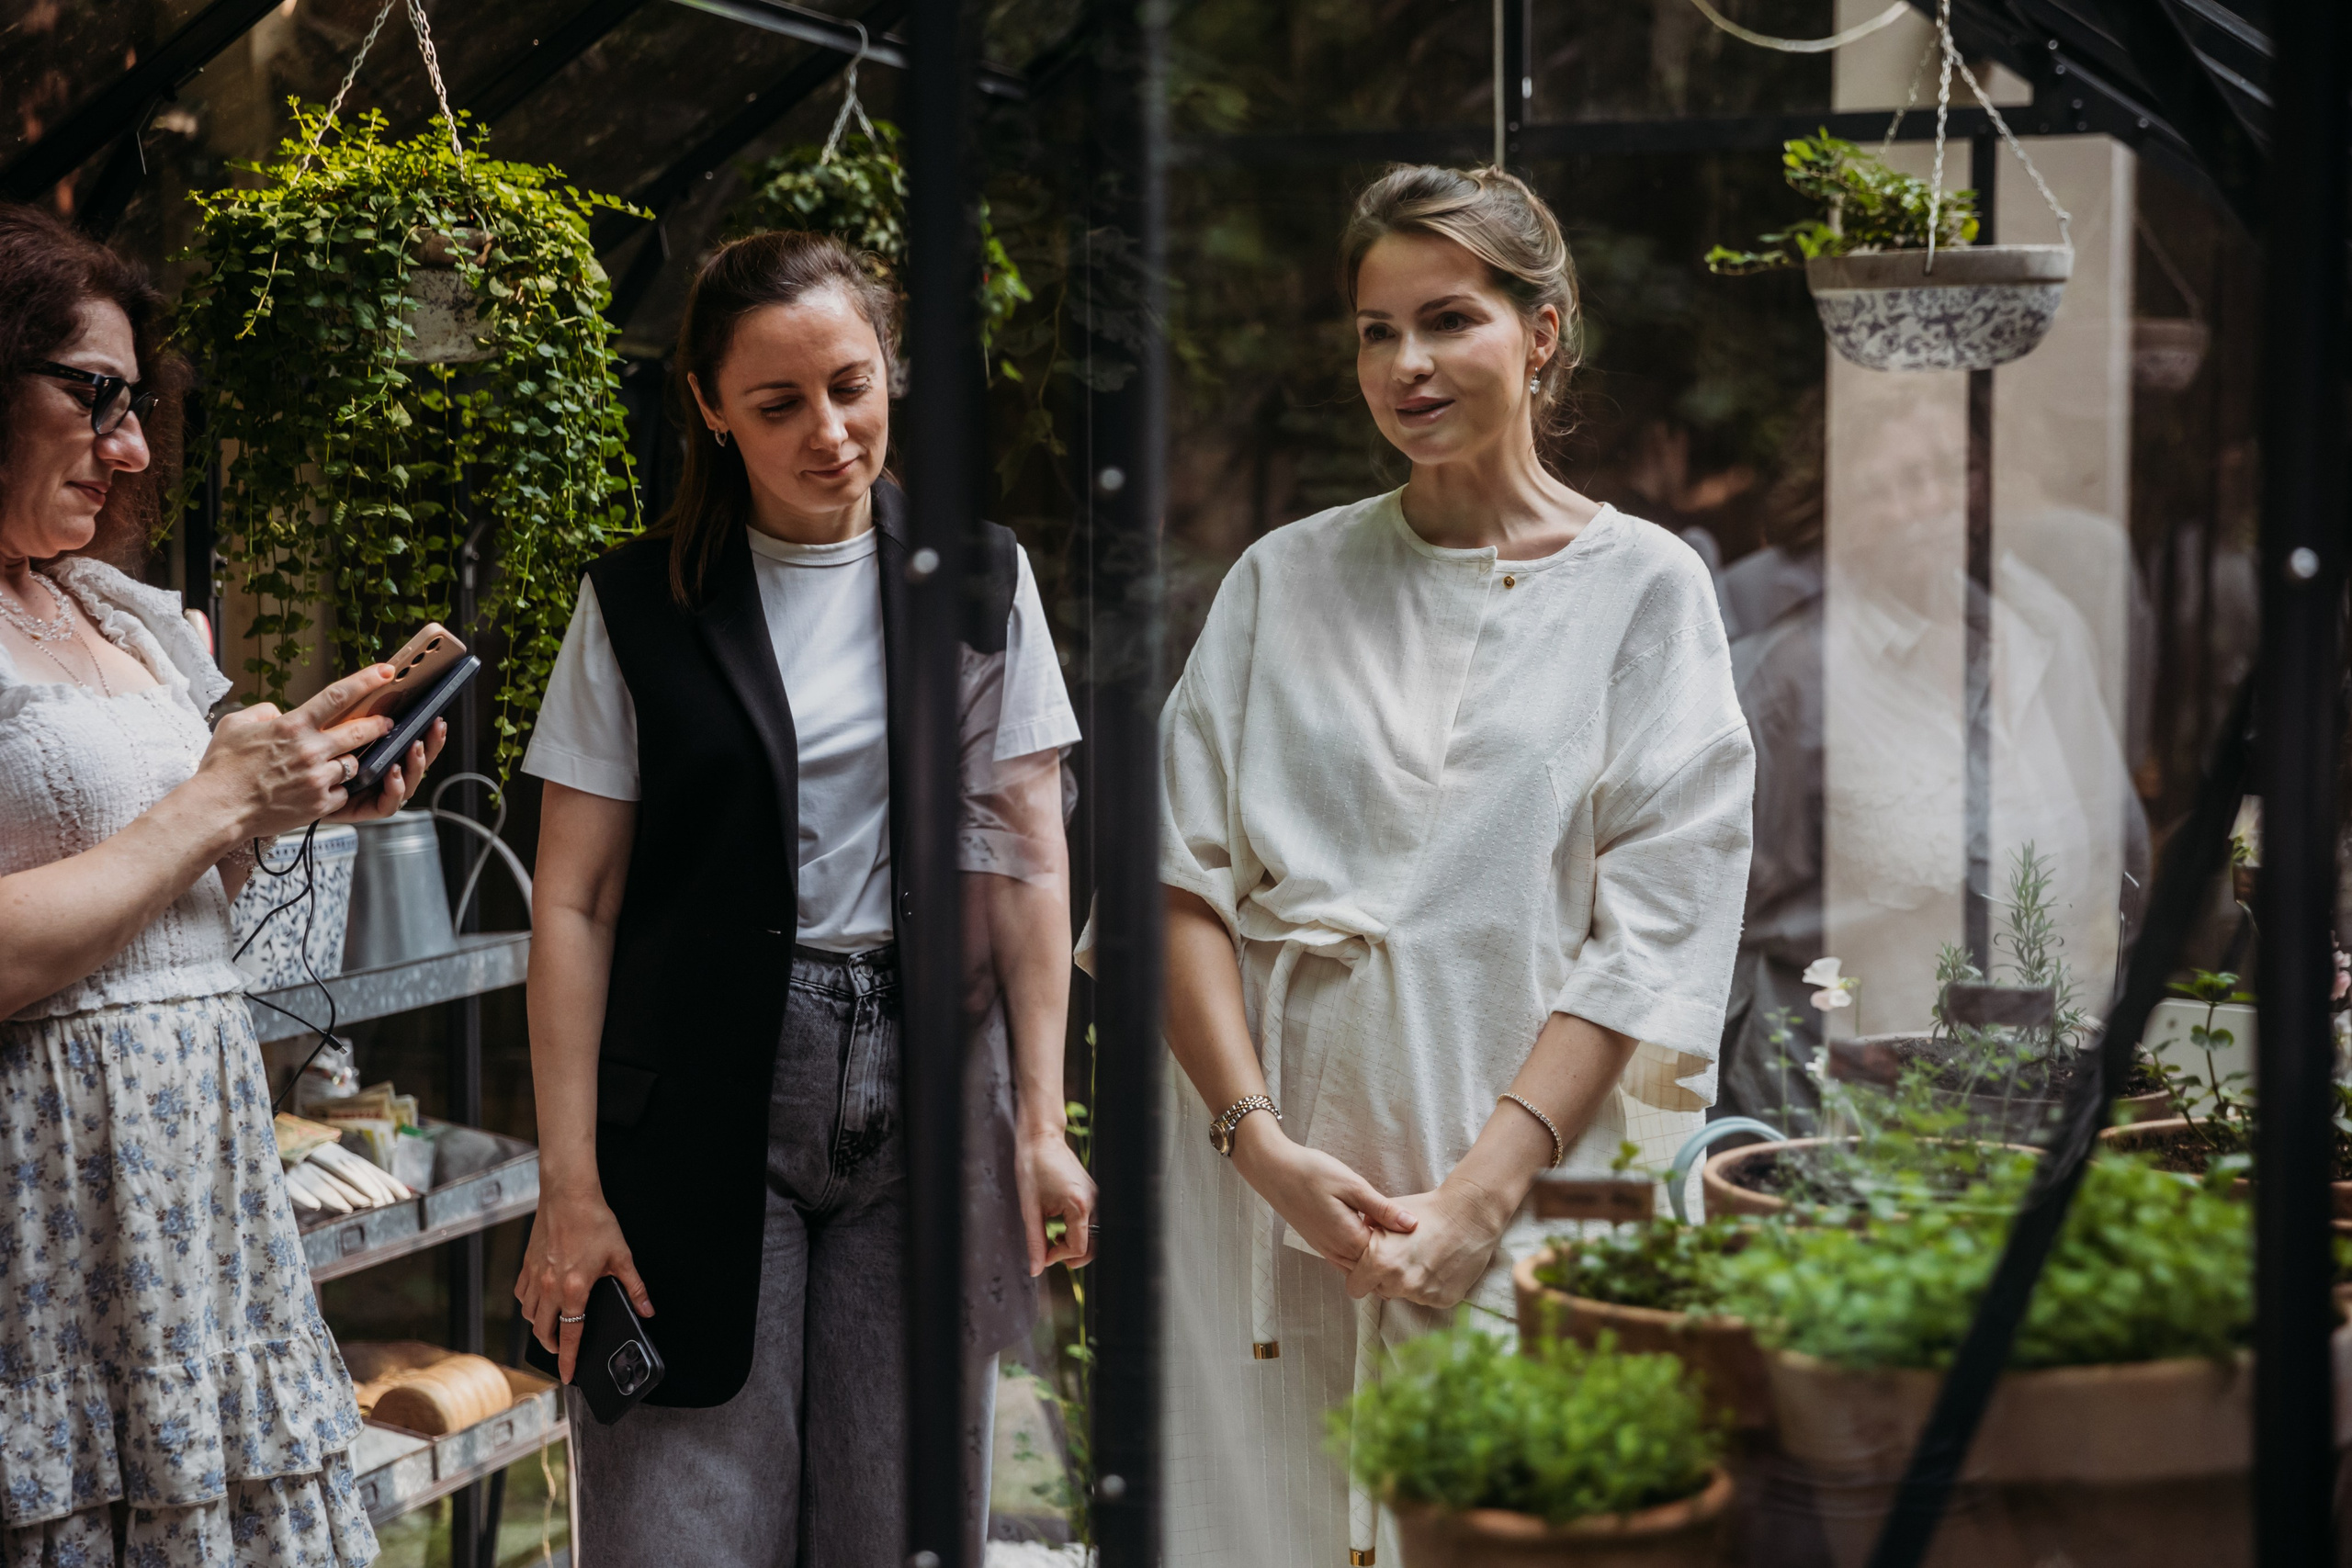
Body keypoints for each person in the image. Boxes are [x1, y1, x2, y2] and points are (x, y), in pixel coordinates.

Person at [1156, 165, 1754, 1564]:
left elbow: (1657, 936)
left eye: (1449, 319)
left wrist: (1482, 1199)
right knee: (1270, 1529)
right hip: (1272, 1191)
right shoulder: (1280, 580)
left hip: (1531, 1187)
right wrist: (1264, 1149)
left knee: (1495, 1530)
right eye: (1374, 330)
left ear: (1541, 333)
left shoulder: (1647, 591)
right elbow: (1176, 887)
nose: (1406, 364)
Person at [513, 230, 1093, 1567]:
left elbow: (1028, 858)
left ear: (890, 368)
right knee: (681, 1522)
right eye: (777, 404)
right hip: (703, 1092)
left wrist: (1042, 1127)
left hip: (934, 1082)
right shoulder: (635, 605)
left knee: (896, 1522)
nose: (829, 430)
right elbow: (575, 902)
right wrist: (570, 1183)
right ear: (711, 411)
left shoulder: (982, 582)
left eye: (851, 383)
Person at [0, 202, 442, 1567]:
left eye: (138, 406)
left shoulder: (114, 613)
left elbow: (201, 926)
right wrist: (214, 801)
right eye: (98, 395)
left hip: (201, 1190)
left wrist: (295, 810)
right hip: (47, 1195)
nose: (130, 447)